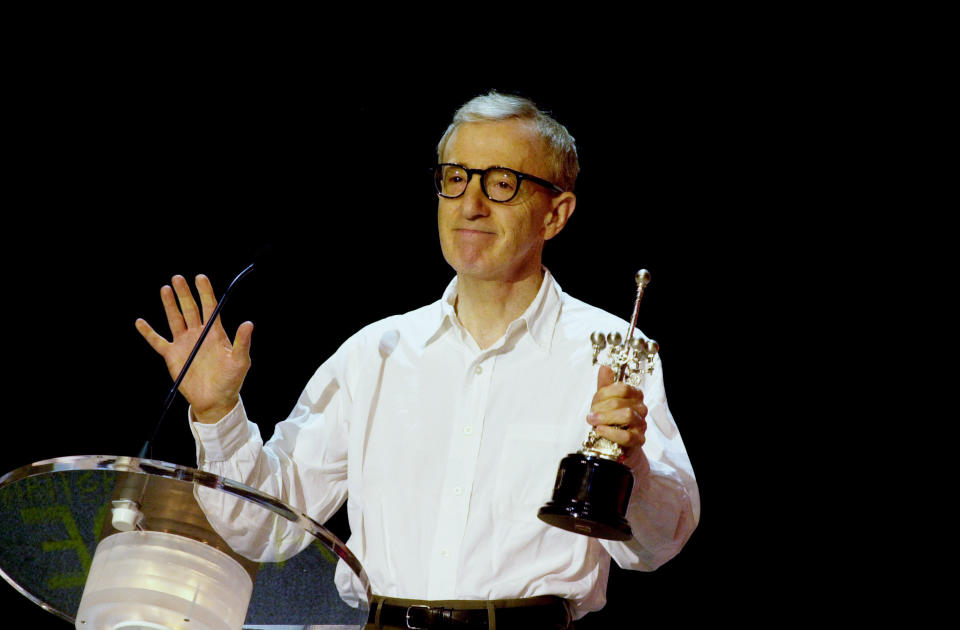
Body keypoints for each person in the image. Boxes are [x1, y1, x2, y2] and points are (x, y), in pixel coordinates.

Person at [135, 91, 700, 629]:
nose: (470, 204)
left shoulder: (613, 350)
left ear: (555, 214)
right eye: (454, 180)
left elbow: (659, 545)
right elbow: (262, 530)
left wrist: (633, 471)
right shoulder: (373, 354)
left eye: (502, 183)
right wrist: (217, 413)